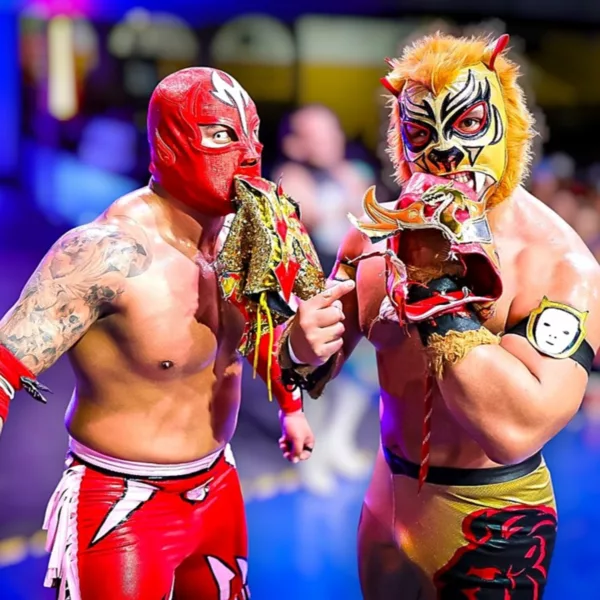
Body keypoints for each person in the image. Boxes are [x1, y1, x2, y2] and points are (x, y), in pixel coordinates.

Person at [280, 33, 600, 598]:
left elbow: (515, 431)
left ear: (508, 126)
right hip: (388, 496)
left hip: (492, 517)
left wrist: (434, 293)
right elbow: (309, 369)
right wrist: (299, 344)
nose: (447, 151)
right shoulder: (374, 237)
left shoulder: (559, 264)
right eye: (423, 133)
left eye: (469, 123)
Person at [0, 67, 316, 599]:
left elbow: (253, 333)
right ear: (170, 144)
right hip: (120, 504)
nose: (247, 153)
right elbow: (5, 362)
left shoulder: (248, 236)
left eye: (252, 132)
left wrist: (290, 405)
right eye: (221, 134)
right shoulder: (109, 252)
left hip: (217, 484)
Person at [274, 105, 376, 494]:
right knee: (313, 374)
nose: (329, 142)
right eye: (316, 135)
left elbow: (370, 218)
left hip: (348, 288)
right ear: (294, 143)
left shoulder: (351, 173)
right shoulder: (287, 179)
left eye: (332, 132)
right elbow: (308, 216)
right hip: (305, 293)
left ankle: (338, 440)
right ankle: (311, 454)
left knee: (362, 372)